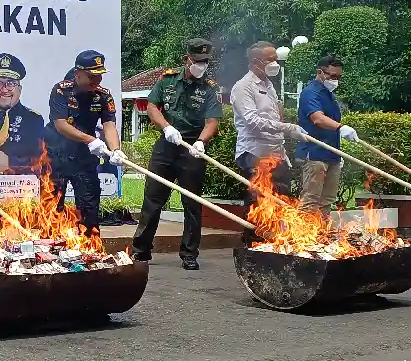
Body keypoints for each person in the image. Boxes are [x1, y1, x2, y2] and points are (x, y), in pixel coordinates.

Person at [132, 39, 222, 270]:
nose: (201, 66)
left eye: (205, 62)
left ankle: (189, 253)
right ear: (187, 59)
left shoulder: (209, 88)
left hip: (192, 148)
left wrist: (202, 142)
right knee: (153, 199)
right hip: (167, 145)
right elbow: (152, 106)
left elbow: (212, 121)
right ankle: (141, 250)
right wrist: (166, 127)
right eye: (198, 61)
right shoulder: (167, 80)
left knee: (192, 203)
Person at [43, 50, 122, 238]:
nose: (97, 81)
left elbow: (109, 125)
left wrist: (116, 149)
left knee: (89, 207)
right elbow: (61, 125)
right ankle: (49, 252)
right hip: (56, 155)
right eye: (91, 76)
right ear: (78, 73)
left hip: (85, 157)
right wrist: (91, 139)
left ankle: (90, 250)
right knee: (52, 207)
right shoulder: (61, 90)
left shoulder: (103, 96)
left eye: (100, 75)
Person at [231, 42, 305, 215]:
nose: (275, 64)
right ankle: (254, 241)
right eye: (270, 60)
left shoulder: (269, 85)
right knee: (259, 204)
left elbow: (275, 118)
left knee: (281, 199)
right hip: (254, 153)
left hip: (276, 153)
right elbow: (252, 121)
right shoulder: (243, 87)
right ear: (256, 62)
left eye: (275, 59)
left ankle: (278, 240)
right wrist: (287, 127)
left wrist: (284, 131)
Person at [295, 55, 357, 217]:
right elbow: (318, 118)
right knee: (311, 200)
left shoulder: (329, 94)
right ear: (320, 72)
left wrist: (337, 153)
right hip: (315, 154)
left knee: (327, 200)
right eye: (332, 76)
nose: (336, 80)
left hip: (332, 154)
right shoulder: (310, 93)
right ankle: (303, 238)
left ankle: (321, 235)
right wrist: (341, 127)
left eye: (338, 77)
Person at [0, 53, 45, 175]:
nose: (4, 90)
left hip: (21, 189)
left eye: (10, 83)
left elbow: (42, 160)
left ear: (19, 89)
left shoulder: (33, 119)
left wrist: (11, 163)